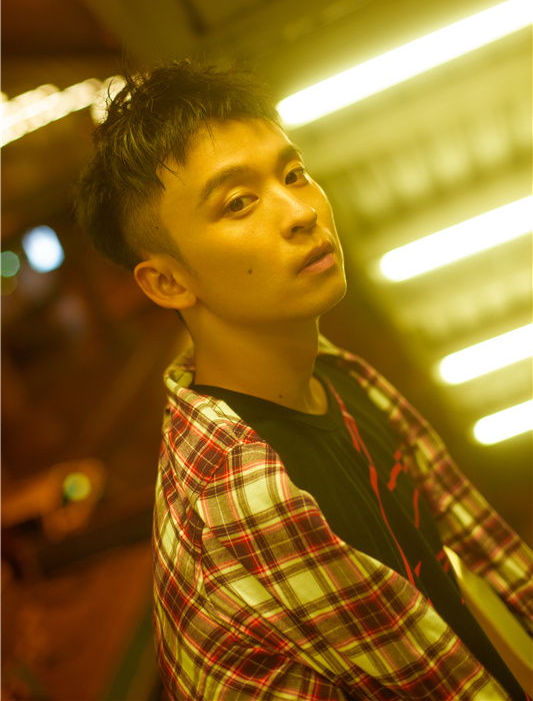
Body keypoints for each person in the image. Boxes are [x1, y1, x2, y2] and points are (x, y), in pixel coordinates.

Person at [75, 60, 532, 701]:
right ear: (167, 282)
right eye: (238, 203)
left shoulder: (338, 376)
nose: (300, 211)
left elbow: (473, 568)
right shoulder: (229, 523)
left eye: (293, 174)